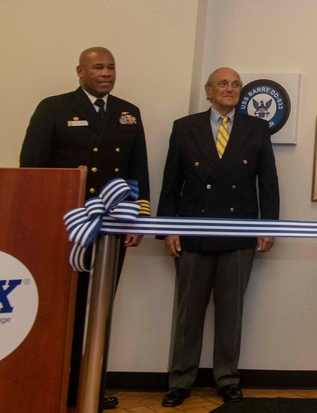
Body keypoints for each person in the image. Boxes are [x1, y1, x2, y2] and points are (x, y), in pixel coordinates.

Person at [20, 46, 150, 410]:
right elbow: (31, 167)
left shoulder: (129, 113)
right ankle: (58, 383)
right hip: (68, 226)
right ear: (80, 71)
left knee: (100, 308)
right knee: (62, 307)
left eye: (111, 66)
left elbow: (137, 169)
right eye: (97, 67)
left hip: (111, 229)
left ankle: (90, 385)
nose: (106, 72)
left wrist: (137, 216)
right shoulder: (54, 108)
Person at [157, 67, 279, 408]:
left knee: (231, 312)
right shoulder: (185, 127)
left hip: (239, 231)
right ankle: (180, 380)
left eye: (236, 84)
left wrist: (268, 226)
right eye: (223, 83)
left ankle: (227, 379)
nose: (230, 88)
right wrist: (168, 228)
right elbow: (171, 182)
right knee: (188, 313)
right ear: (209, 90)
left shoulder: (256, 128)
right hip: (194, 231)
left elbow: (267, 181)